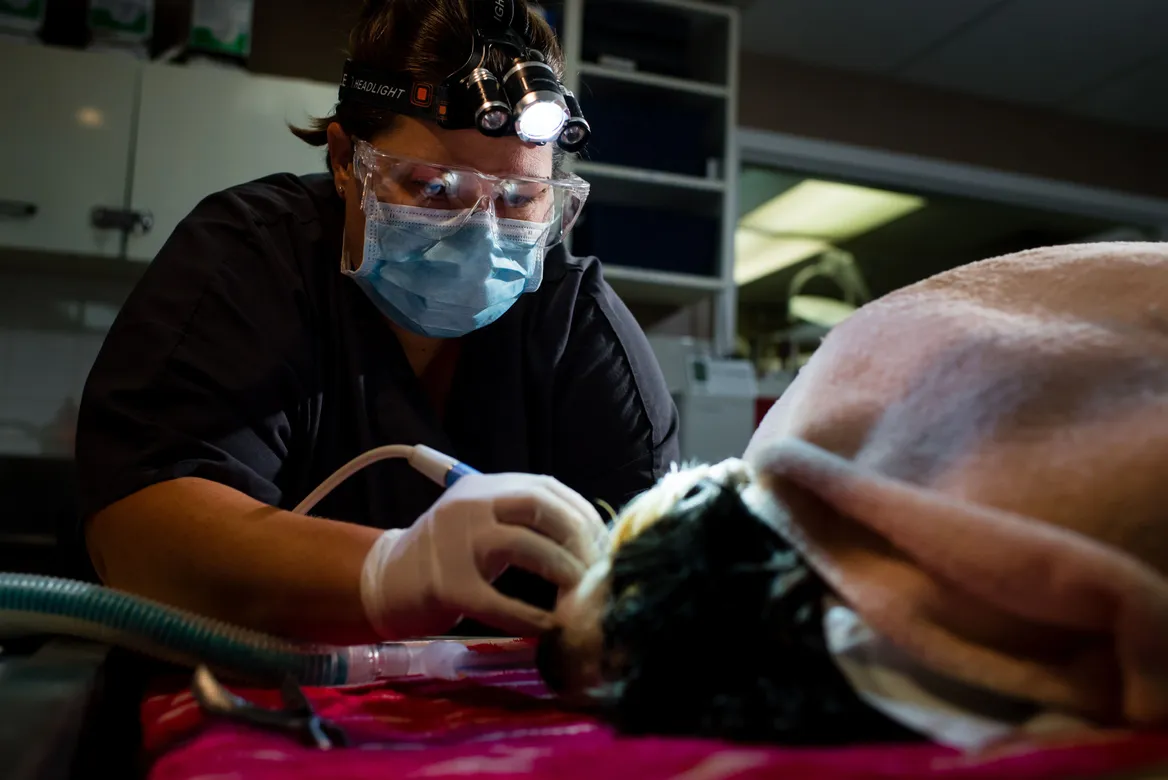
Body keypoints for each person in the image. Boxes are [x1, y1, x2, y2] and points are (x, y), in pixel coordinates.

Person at [74, 0, 679, 646]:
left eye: (518, 198)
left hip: (502, 729)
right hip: (252, 708)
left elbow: (667, 580)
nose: (480, 231)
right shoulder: (253, 263)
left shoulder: (575, 330)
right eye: (432, 188)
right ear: (344, 161)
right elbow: (138, 539)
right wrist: (392, 573)